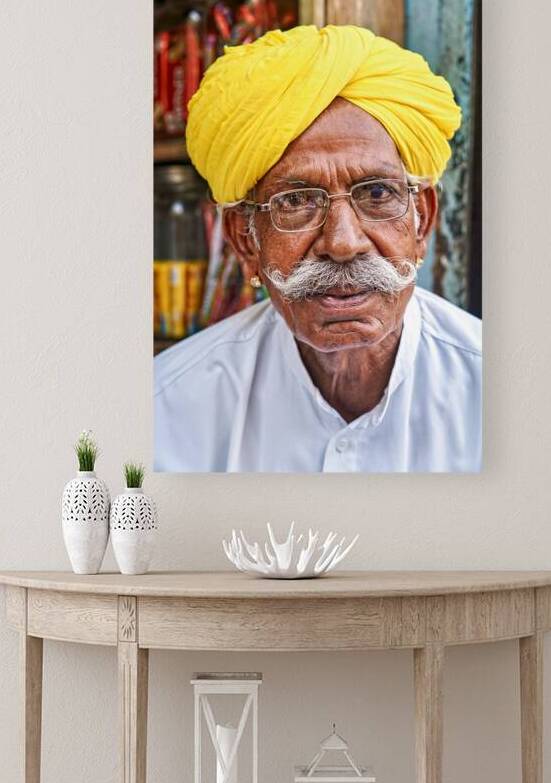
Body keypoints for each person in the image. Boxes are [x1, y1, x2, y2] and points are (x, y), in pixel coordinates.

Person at [154, 24, 481, 472]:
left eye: (378, 194)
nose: (343, 243)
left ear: (421, 218)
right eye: (296, 201)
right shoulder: (168, 411)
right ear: (245, 238)